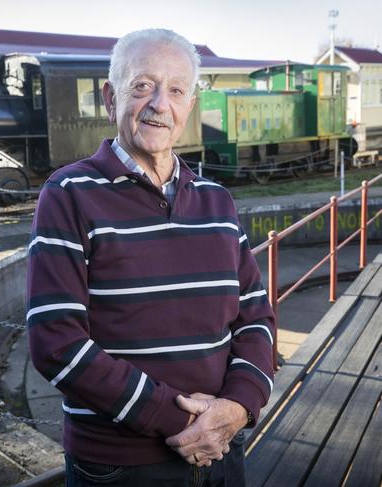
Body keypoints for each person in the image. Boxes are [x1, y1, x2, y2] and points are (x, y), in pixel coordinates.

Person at [26, 28, 275, 486]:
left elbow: (257, 320)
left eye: (176, 90)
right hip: (120, 468)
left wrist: (237, 408)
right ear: (110, 97)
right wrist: (180, 422)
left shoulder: (218, 201)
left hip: (224, 451)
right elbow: (55, 342)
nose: (161, 103)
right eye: (143, 86)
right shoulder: (68, 194)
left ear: (190, 106)